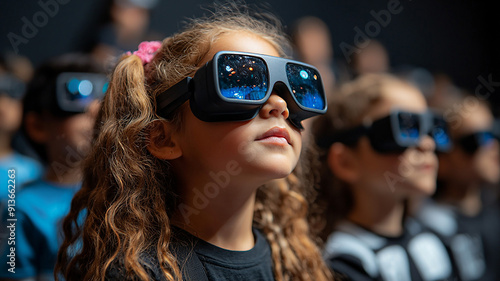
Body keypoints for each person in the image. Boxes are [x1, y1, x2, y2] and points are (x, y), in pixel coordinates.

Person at [55, 5, 333, 281]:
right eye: (239, 83)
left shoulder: (293, 261)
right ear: (164, 138)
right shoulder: (139, 273)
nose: (280, 105)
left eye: (296, 89)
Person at [312, 73, 459, 281]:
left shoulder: (434, 238)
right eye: (404, 127)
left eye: (431, 128)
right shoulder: (344, 261)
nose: (427, 144)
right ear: (345, 162)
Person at [0, 53, 105, 280]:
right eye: (78, 97)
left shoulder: (116, 194)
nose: (95, 113)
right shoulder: (20, 209)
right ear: (37, 126)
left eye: (103, 99)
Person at [417, 93, 500, 281]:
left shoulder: (493, 211)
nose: (492, 146)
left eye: (494, 133)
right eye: (476, 139)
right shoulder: (432, 231)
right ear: (442, 158)